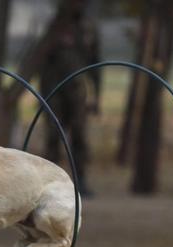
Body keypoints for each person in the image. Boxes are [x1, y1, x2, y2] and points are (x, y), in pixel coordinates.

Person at [39, 5, 101, 196]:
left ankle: (80, 181)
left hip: (78, 93)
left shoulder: (89, 27)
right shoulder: (54, 26)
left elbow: (96, 64)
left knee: (80, 137)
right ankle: (51, 183)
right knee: (52, 137)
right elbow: (41, 60)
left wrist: (97, 96)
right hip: (53, 92)